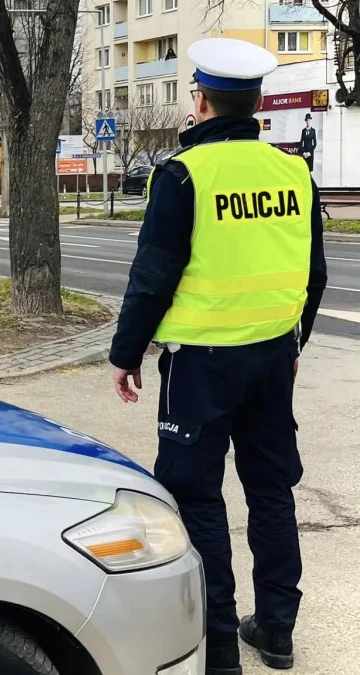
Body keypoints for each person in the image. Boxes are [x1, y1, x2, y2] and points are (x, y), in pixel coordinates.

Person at [109, 38, 327, 675]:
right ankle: (277, 629)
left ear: (201, 101)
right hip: (271, 358)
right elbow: (313, 274)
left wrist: (126, 353)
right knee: (271, 488)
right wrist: (295, 344)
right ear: (254, 104)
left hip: (201, 365)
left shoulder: (183, 174)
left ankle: (222, 646)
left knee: (197, 495)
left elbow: (153, 276)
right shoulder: (294, 173)